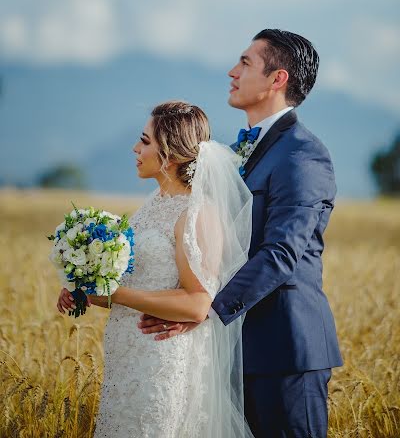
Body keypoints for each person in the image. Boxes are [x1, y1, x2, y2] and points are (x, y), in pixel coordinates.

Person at [139, 30, 343, 438]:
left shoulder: (303, 155)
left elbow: (281, 254)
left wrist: (206, 311)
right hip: (230, 350)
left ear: (277, 79)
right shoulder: (231, 153)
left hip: (285, 350)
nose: (233, 71)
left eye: (246, 62)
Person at [57, 101, 255, 438]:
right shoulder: (151, 206)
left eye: (145, 141)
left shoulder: (198, 213)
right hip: (125, 354)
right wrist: (89, 288)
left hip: (160, 359)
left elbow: (196, 303)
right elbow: (136, 287)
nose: (136, 148)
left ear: (172, 154)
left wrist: (115, 292)